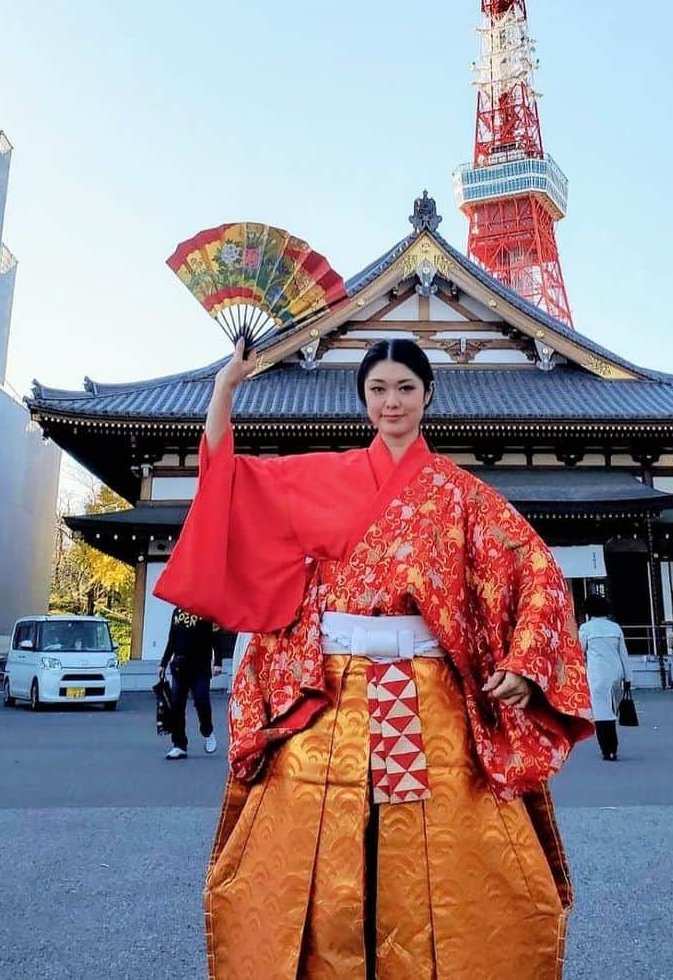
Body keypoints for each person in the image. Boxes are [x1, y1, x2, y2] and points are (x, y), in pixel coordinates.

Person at [154, 337, 593, 978]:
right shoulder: (319, 476)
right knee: (316, 839)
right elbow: (227, 482)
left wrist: (527, 660)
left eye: (405, 388)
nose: (392, 402)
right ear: (363, 399)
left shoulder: (460, 494)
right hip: (332, 688)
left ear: (427, 396)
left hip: (428, 691)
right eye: (379, 389)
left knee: (439, 848)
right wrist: (225, 390)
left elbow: (535, 568)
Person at [159, 606, 222, 759]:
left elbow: (217, 639)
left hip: (200, 667)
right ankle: (179, 744)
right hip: (179, 666)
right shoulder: (177, 612)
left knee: (201, 700)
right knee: (176, 706)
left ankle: (207, 731)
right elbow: (171, 640)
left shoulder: (208, 611)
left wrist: (218, 662)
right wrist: (163, 663)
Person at [578, 594, 632, 761]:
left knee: (601, 713)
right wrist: (628, 677)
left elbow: (579, 652)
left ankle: (607, 749)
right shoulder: (615, 628)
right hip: (617, 673)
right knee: (612, 711)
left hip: (597, 674)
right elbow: (624, 654)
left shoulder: (586, 629)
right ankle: (613, 747)